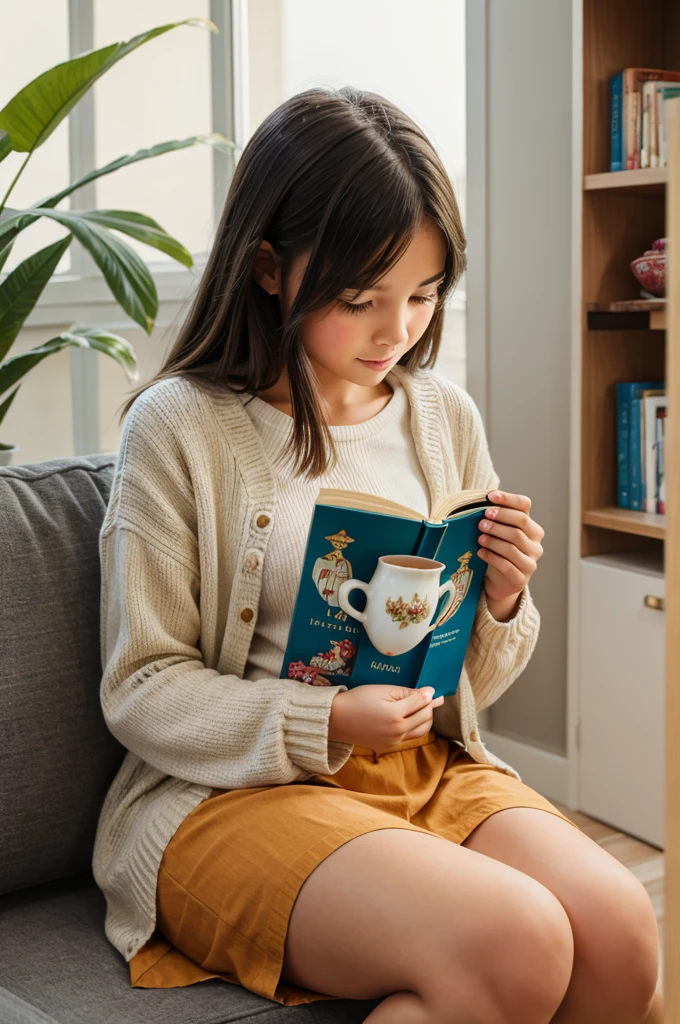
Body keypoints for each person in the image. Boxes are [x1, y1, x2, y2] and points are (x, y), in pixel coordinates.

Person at [93, 86, 661, 1023]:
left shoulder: (443, 418)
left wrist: (504, 601)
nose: (397, 331)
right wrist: (325, 723)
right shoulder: (180, 428)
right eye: (361, 300)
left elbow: (461, 690)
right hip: (230, 796)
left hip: (426, 771)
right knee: (515, 941)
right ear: (271, 268)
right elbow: (143, 687)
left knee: (621, 936)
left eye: (425, 295)